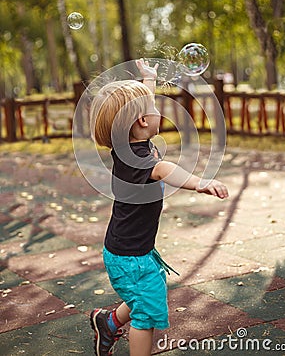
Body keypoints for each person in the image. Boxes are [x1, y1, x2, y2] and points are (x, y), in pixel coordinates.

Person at [89, 59, 229, 356]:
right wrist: (199, 182)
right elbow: (164, 169)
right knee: (146, 317)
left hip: (128, 250)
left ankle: (109, 322)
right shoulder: (138, 160)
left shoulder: (126, 145)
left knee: (142, 296)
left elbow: (141, 112)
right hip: (131, 258)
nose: (157, 112)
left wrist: (148, 80)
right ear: (142, 121)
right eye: (153, 109)